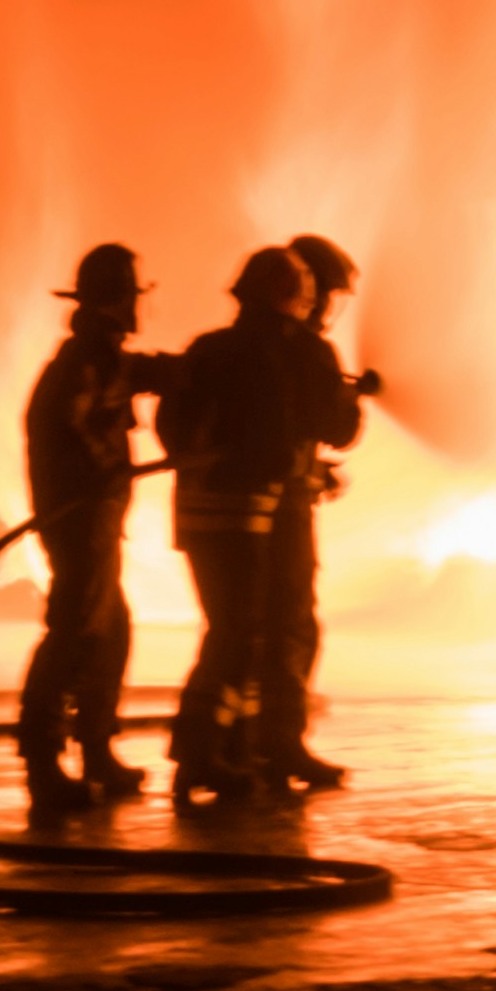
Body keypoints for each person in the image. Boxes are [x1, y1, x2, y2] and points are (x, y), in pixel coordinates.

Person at [151, 249, 312, 806]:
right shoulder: (266, 359)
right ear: (286, 301)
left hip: (195, 514)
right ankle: (198, 753)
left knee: (230, 630)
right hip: (243, 517)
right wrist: (299, 469)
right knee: (237, 634)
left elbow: (169, 424)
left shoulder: (207, 348)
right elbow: (273, 442)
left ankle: (224, 750)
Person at [16, 247, 170, 808]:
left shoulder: (96, 357)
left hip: (93, 520)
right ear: (120, 298)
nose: (137, 309)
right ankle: (42, 762)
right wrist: (102, 478)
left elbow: (136, 374)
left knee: (111, 630)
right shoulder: (86, 361)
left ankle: (97, 749)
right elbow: (80, 422)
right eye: (133, 295)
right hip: (81, 521)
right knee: (76, 631)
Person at [256, 231, 384, 794]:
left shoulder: (240, 344)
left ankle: (233, 748)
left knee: (242, 630)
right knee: (291, 626)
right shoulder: (305, 351)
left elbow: (270, 431)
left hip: (240, 510)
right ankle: (280, 745)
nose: (328, 308)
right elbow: (338, 427)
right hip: (281, 514)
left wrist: (313, 468)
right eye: (326, 294)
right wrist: (353, 396)